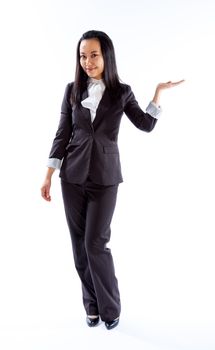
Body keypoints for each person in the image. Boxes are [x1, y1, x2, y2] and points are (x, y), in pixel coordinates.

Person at [41, 30, 184, 330]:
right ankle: (91, 307)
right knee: (79, 246)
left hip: (105, 178)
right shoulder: (71, 90)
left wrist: (157, 93)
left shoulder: (122, 92)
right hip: (72, 177)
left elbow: (145, 125)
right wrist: (49, 175)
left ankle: (111, 308)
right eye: (83, 56)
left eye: (94, 55)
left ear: (106, 55)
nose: (88, 62)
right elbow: (61, 133)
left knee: (96, 243)